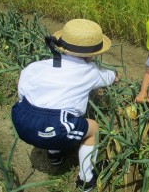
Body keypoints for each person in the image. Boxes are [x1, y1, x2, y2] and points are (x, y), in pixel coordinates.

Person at [11, 19, 118, 192]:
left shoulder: (35, 67)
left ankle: (55, 155)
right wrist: (116, 76)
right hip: (53, 126)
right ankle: (86, 179)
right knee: (92, 128)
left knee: (52, 112)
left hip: (21, 119)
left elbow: (22, 93)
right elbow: (109, 77)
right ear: (92, 55)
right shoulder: (89, 72)